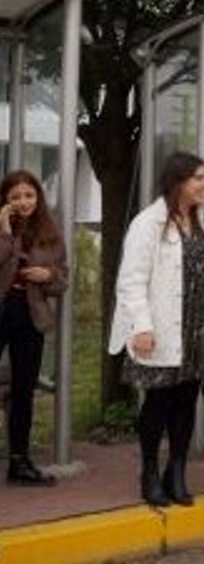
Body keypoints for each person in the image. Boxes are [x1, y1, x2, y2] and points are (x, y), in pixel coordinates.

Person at [110, 152, 204, 506]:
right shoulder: (148, 223)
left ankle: (177, 469)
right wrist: (141, 325)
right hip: (161, 328)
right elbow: (131, 281)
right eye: (198, 178)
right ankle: (150, 470)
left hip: (198, 329)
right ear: (177, 181)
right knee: (158, 403)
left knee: (186, 403)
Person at [0, 171, 65, 486]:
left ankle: (19, 461)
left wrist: (48, 276)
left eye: (28, 195)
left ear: (37, 197)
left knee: (24, 391)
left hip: (30, 315)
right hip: (2, 310)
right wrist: (4, 231)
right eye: (15, 197)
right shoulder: (2, 228)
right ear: (5, 202)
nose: (23, 202)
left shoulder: (50, 232)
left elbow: (63, 279)